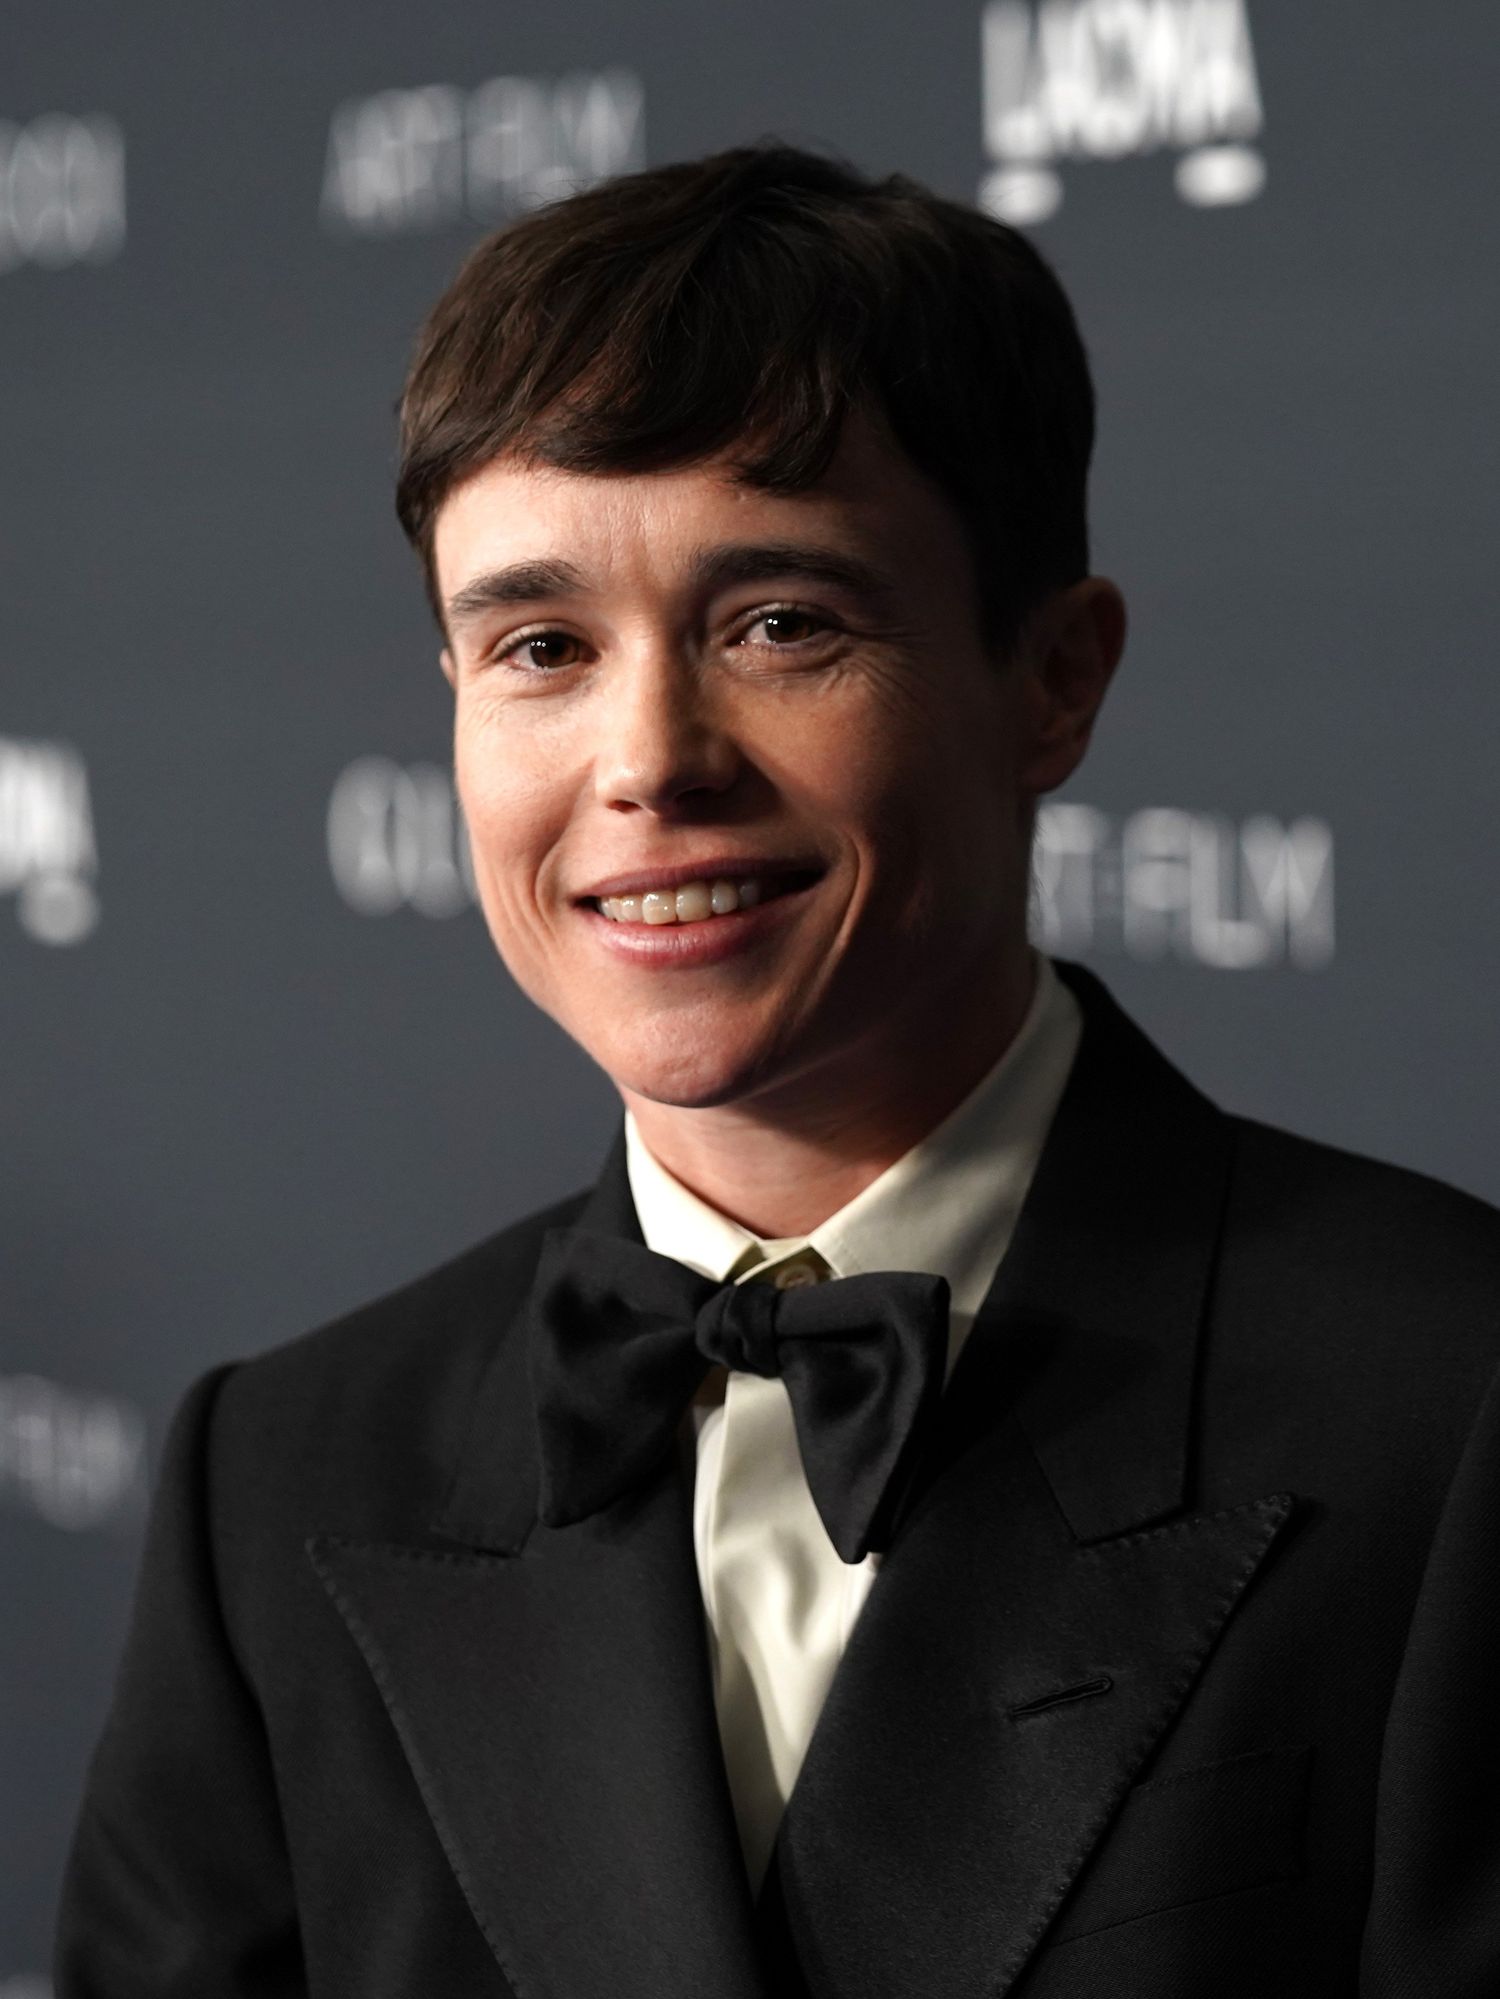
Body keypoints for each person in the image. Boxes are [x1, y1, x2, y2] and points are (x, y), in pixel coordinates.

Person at [55, 143, 1500, 1999]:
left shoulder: (1451, 1408)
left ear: (1055, 678)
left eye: (780, 626)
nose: (649, 758)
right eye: (542, 646)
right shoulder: (281, 1474)